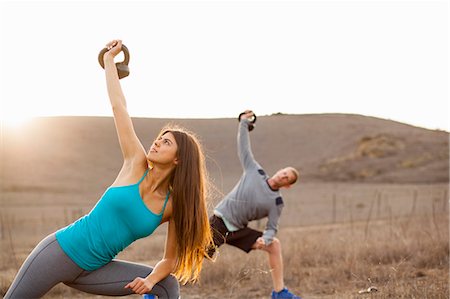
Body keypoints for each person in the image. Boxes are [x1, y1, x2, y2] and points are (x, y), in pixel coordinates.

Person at [4, 40, 213, 299]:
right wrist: (109, 63)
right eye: (160, 137)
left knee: (167, 285)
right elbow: (119, 108)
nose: (157, 141)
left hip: (95, 270)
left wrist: (150, 280)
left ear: (179, 160)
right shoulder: (136, 164)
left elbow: (170, 260)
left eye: (166, 142)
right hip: (59, 253)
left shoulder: (172, 205)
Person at [207, 110, 302, 299]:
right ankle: (157, 287)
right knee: (192, 257)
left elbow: (272, 227)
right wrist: (243, 123)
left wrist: (265, 239)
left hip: (238, 230)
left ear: (288, 185)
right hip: (219, 222)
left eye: (287, 178)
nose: (283, 176)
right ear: (280, 170)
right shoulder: (254, 171)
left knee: (274, 245)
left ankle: (279, 292)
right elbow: (244, 147)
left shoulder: (276, 202)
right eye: (284, 172)